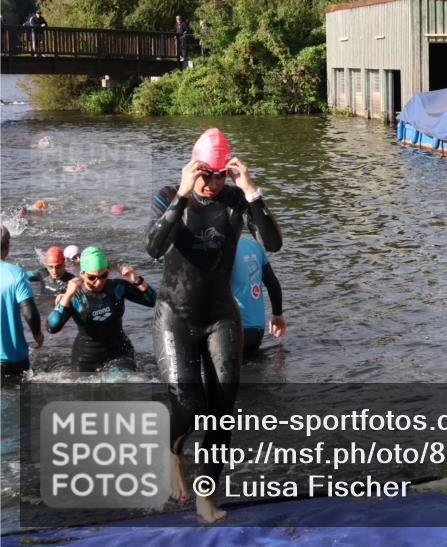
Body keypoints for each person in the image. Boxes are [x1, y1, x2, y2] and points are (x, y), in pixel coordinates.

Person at [146, 127, 281, 523]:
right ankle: (171, 450)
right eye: (206, 174)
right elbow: (152, 246)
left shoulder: (236, 199)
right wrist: (183, 195)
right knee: (190, 404)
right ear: (193, 167)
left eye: (220, 174)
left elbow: (272, 243)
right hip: (174, 315)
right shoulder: (169, 196)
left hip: (221, 315)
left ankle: (205, 498)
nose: (212, 183)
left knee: (222, 412)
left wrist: (252, 189)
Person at [48, 247, 155, 373]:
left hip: (119, 353)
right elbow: (52, 327)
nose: (99, 282)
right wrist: (67, 295)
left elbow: (152, 301)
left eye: (103, 275)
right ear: (82, 274)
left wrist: (135, 279)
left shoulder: (117, 287)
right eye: (92, 277)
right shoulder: (75, 295)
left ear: (108, 271)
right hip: (86, 358)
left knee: (120, 382)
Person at [232, 235, 285, 358]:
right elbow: (272, 284)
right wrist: (277, 315)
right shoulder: (254, 245)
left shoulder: (218, 247)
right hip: (256, 331)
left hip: (230, 331)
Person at [1, 225, 43, 378]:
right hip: (12, 359)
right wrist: (37, 333)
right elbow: (29, 312)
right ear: (8, 247)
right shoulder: (17, 275)